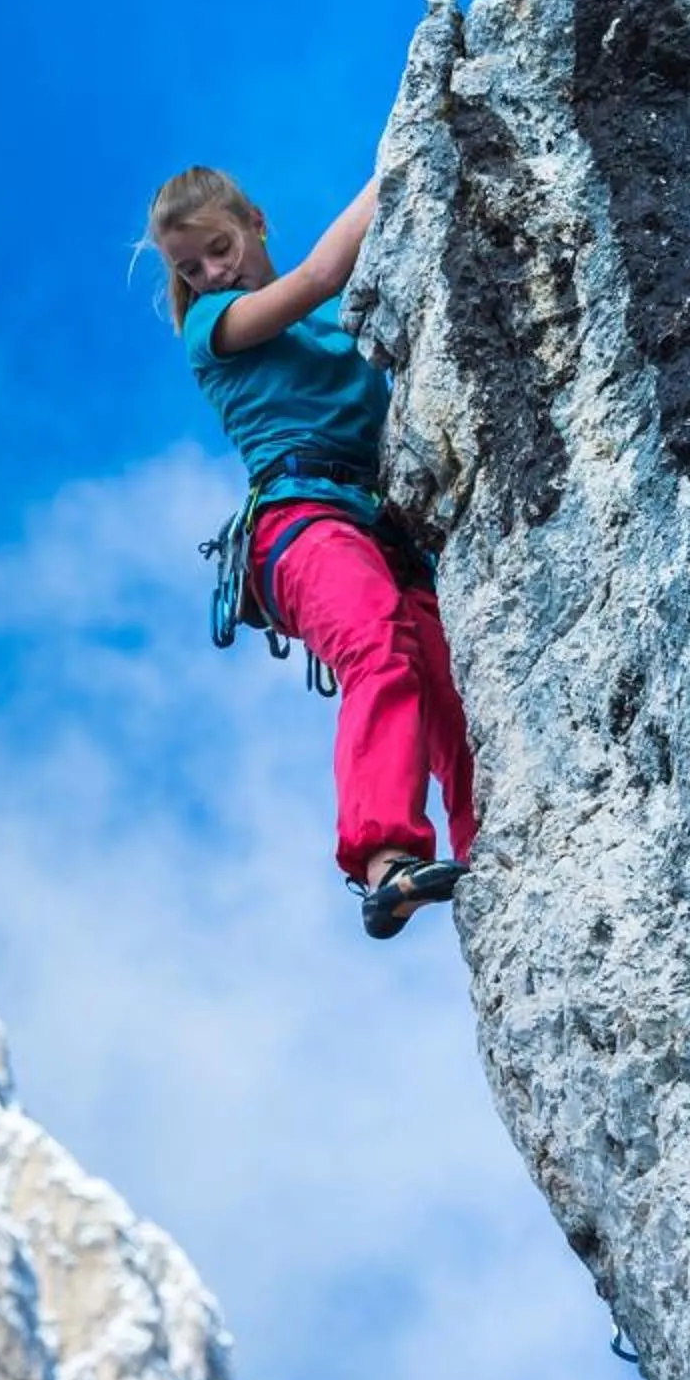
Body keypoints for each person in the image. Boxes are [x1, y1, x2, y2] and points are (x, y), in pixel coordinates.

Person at [148, 164, 479, 939]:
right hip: (299, 525)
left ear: (254, 221)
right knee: (377, 648)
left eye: (217, 251)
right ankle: (384, 858)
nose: (209, 274)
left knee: (451, 692)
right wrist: (404, 157)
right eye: (188, 268)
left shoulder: (344, 324)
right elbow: (324, 270)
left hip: (386, 531)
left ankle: (497, 848)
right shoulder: (215, 328)